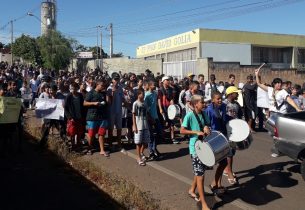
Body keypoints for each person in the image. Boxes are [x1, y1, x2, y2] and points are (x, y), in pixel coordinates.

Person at [255, 66, 301, 157]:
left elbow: (290, 100)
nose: (279, 85)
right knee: (272, 133)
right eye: (277, 83)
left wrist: (297, 108)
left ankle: (281, 149)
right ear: (274, 84)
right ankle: (281, 148)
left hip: (281, 115)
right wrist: (257, 74)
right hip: (272, 114)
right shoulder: (270, 90)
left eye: (280, 83)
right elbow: (259, 84)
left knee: (279, 133)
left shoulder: (283, 92)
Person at [180, 95, 211, 210]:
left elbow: (207, 124)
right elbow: (182, 130)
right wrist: (195, 132)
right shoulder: (189, 115)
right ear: (195, 104)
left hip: (204, 147)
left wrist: (207, 128)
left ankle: (192, 190)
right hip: (195, 149)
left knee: (199, 172)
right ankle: (203, 204)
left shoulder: (203, 114)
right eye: (202, 102)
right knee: (201, 176)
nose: (204, 104)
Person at [205, 91, 228, 195]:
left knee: (223, 162)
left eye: (221, 98)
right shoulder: (209, 110)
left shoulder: (223, 106)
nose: (220, 100)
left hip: (222, 136)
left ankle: (217, 184)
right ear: (213, 99)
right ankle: (214, 185)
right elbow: (206, 124)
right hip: (214, 138)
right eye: (218, 99)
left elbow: (225, 119)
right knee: (223, 162)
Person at [222, 86, 243, 185]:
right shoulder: (224, 104)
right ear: (230, 94)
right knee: (229, 152)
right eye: (236, 93)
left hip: (235, 131)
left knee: (232, 152)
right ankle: (229, 172)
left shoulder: (237, 104)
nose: (238, 94)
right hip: (226, 131)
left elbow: (240, 116)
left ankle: (226, 169)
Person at [84, 79, 110, 156]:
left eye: (104, 86)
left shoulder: (103, 93)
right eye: (102, 85)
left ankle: (102, 150)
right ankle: (89, 148)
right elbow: (84, 103)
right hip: (92, 117)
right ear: (97, 85)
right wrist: (94, 103)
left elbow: (108, 103)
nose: (103, 87)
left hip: (102, 117)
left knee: (101, 134)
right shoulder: (90, 93)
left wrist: (108, 95)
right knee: (91, 134)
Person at [145, 79, 163, 160]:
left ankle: (154, 148)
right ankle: (151, 151)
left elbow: (156, 104)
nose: (154, 86)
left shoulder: (155, 93)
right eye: (153, 85)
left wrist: (159, 112)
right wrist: (150, 117)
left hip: (156, 116)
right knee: (151, 135)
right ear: (149, 86)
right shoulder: (146, 95)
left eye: (155, 84)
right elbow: (146, 109)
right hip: (149, 118)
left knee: (160, 133)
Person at [65, 83, 85, 151]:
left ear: (77, 88)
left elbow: (83, 106)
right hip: (72, 118)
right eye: (71, 88)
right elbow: (66, 108)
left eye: (74, 88)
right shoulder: (69, 96)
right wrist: (70, 117)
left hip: (79, 117)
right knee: (72, 132)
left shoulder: (80, 95)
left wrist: (83, 116)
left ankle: (78, 144)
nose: (72, 90)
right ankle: (73, 145)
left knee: (79, 132)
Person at [107, 73, 125, 152]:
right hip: (111, 111)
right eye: (115, 79)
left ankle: (119, 144)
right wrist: (113, 92)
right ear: (112, 80)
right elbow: (109, 102)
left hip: (119, 110)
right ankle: (110, 144)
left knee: (119, 128)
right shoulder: (109, 89)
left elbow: (122, 99)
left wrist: (128, 103)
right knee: (110, 129)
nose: (116, 81)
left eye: (117, 79)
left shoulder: (120, 88)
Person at [132, 89, 150, 166]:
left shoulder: (145, 103)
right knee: (138, 143)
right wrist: (134, 125)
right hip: (138, 125)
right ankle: (138, 157)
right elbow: (133, 114)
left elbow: (146, 113)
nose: (143, 95)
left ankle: (141, 152)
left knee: (146, 142)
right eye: (142, 94)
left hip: (145, 124)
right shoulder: (135, 103)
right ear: (138, 95)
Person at [158, 76, 177, 144]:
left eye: (168, 80)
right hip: (163, 107)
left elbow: (172, 99)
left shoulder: (171, 89)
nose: (168, 81)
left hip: (170, 108)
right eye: (167, 80)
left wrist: (173, 107)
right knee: (164, 123)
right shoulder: (160, 90)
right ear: (163, 81)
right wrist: (160, 108)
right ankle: (163, 137)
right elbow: (159, 100)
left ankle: (173, 138)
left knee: (172, 123)